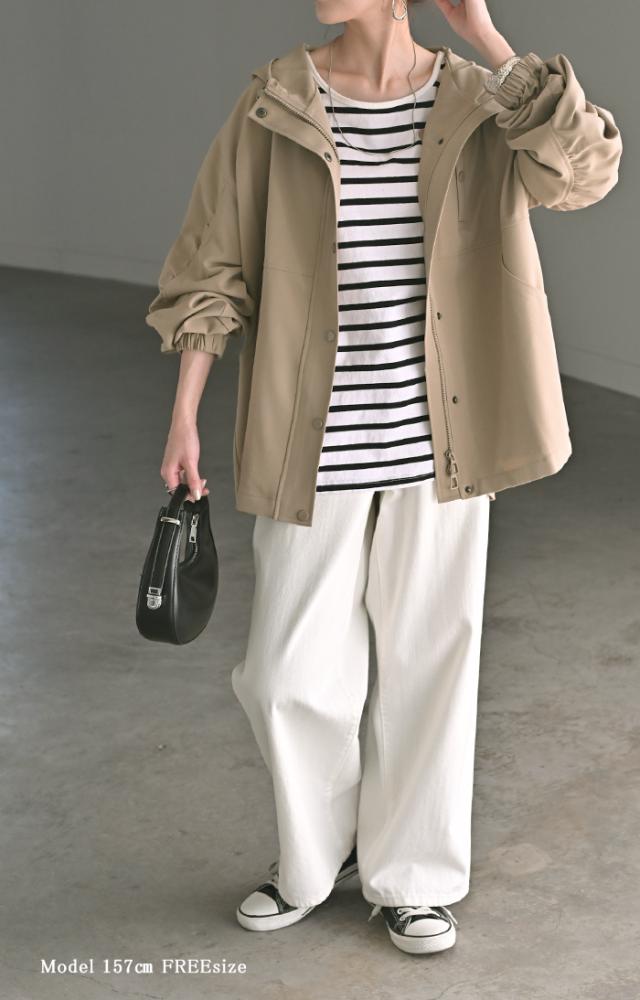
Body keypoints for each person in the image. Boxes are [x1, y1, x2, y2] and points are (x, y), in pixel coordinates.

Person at [144, 0, 622, 956]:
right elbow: (213, 259)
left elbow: (583, 172)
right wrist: (185, 410)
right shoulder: (277, 98)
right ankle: (315, 860)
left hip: (440, 442)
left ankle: (413, 879)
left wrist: (486, 35)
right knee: (284, 675)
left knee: (429, 664)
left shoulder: (479, 98)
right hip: (311, 442)